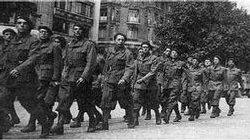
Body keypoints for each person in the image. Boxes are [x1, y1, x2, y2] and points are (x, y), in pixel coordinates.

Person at [10, 26, 62, 138]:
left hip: (48, 78)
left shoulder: (55, 46)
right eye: (41, 32)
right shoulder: (36, 44)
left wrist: (55, 79)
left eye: (45, 32)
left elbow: (58, 64)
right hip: (36, 75)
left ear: (49, 34)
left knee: (40, 100)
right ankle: (44, 118)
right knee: (35, 100)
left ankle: (40, 123)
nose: (42, 34)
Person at [52, 24, 97, 135]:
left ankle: (92, 121)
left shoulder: (88, 44)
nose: (77, 31)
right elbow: (66, 61)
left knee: (85, 102)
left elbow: (90, 63)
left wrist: (84, 77)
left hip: (81, 78)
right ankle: (60, 125)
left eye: (80, 29)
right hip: (68, 77)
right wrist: (63, 75)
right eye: (75, 29)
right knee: (63, 100)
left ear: (84, 31)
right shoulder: (69, 44)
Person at [4, 16, 40, 133]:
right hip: (10, 77)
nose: (21, 25)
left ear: (29, 26)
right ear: (16, 25)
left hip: (26, 77)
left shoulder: (33, 40)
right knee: (3, 99)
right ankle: (5, 123)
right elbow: (6, 58)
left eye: (25, 23)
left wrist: (19, 68)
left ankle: (45, 120)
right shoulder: (12, 40)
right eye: (19, 23)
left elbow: (32, 59)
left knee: (28, 103)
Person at [99, 33, 134, 130]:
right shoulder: (110, 51)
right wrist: (103, 78)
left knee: (126, 102)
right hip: (110, 80)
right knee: (106, 101)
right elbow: (106, 66)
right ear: (115, 40)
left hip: (121, 82)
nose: (120, 41)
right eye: (118, 39)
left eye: (122, 40)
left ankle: (131, 120)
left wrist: (124, 78)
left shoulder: (128, 53)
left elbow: (130, 68)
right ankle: (104, 123)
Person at [122, 42, 162, 127]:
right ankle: (135, 120)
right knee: (136, 101)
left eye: (147, 47)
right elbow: (135, 72)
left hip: (150, 83)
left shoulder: (154, 58)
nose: (145, 49)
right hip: (139, 83)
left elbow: (152, 72)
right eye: (143, 47)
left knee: (153, 102)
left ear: (149, 49)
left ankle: (157, 116)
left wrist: (142, 79)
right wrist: (133, 84)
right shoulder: (138, 59)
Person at [159, 50, 190, 124]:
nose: (174, 54)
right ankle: (178, 115)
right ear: (170, 54)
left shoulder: (181, 63)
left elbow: (188, 73)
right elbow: (162, 73)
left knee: (172, 99)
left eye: (176, 52)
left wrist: (188, 84)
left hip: (176, 83)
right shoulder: (166, 63)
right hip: (166, 84)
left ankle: (167, 116)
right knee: (168, 100)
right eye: (173, 52)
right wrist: (160, 83)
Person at [0, 28, 19, 126]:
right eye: (6, 34)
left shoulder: (16, 47)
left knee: (5, 98)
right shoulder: (1, 47)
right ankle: (14, 118)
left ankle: (5, 121)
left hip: (11, 76)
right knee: (7, 99)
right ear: (3, 36)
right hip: (2, 74)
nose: (9, 36)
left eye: (11, 35)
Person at [157, 47, 171, 118]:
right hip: (159, 79)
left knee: (165, 96)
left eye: (169, 51)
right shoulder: (159, 59)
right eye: (167, 51)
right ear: (164, 51)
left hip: (167, 80)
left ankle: (164, 110)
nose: (168, 52)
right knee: (158, 95)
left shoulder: (171, 60)